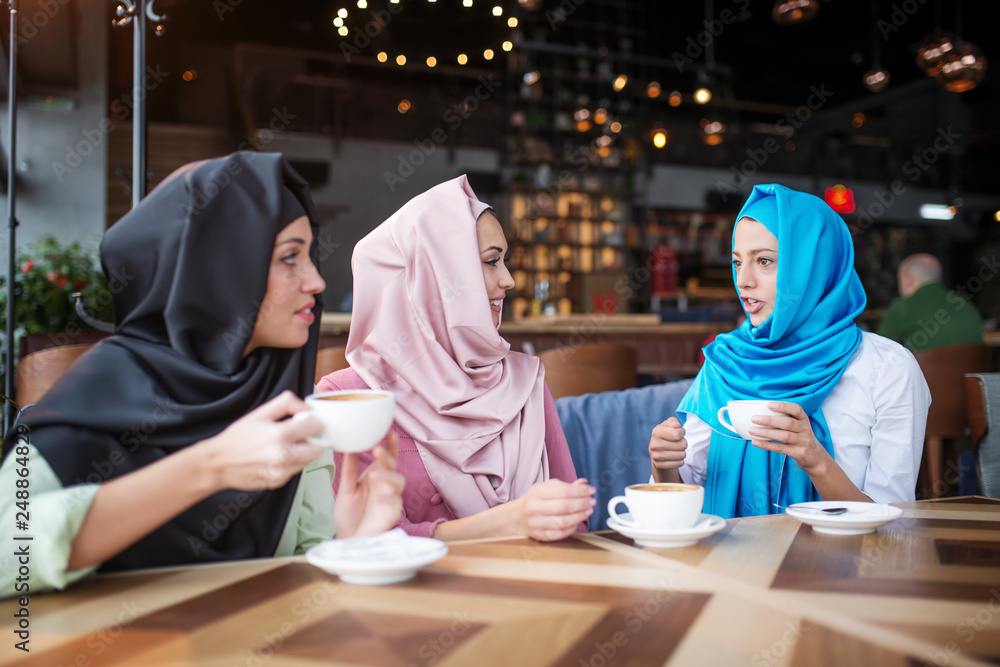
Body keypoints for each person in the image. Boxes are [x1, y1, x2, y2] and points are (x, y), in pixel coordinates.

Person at [0, 153, 403, 598]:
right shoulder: (90, 397)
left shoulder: (280, 393)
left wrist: (352, 543)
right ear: (214, 268)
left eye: (310, 256)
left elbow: (302, 584)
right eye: (289, 257)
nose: (316, 281)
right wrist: (209, 467)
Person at [317, 175, 594, 542]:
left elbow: (574, 521)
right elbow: (365, 542)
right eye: (491, 262)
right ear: (434, 275)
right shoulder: (349, 396)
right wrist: (511, 522)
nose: (509, 280)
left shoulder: (526, 381)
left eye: (504, 261)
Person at [648, 184, 930, 518]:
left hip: (840, 569)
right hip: (725, 563)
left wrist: (816, 461)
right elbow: (683, 497)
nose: (743, 281)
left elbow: (894, 525)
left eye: (764, 261)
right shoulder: (724, 363)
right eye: (737, 263)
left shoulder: (888, 369)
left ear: (814, 265)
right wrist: (662, 466)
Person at [878, 253, 983, 353]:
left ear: (909, 279)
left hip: (924, 371)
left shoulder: (902, 307)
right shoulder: (967, 304)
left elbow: (881, 351)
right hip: (969, 371)